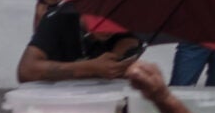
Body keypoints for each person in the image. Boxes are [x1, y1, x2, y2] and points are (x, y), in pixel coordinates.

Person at [16, 6, 145, 85]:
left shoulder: (126, 29)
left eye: (115, 20)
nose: (109, 29)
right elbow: (26, 70)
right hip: (57, 101)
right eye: (101, 18)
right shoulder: (58, 18)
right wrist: (90, 68)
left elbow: (120, 64)